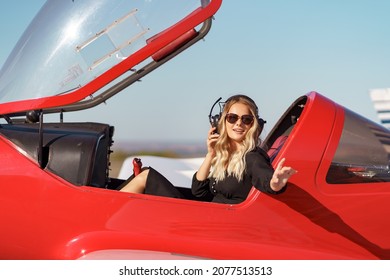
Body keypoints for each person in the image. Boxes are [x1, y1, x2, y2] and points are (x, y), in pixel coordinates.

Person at [119, 94, 297, 204]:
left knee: (146, 176)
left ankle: (102, 216)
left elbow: (266, 180)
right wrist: (211, 154)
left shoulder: (252, 157)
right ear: (222, 122)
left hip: (215, 225)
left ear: (253, 125)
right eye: (233, 118)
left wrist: (276, 182)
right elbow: (198, 192)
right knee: (145, 174)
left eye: (246, 119)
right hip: (206, 213)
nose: (239, 124)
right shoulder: (226, 155)